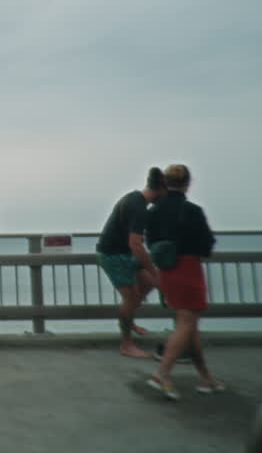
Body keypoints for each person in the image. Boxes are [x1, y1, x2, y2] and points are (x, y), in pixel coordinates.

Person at [145, 164, 222, 400]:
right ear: (188, 183)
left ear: (165, 183)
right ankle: (162, 374)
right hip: (188, 268)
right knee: (187, 322)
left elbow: (150, 241)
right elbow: (206, 244)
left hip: (166, 269)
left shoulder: (154, 210)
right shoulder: (192, 210)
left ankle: (206, 377)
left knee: (188, 325)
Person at [95, 167, 167, 358]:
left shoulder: (134, 198)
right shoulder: (138, 207)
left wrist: (152, 274)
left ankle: (129, 319)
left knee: (149, 284)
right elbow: (135, 244)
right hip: (113, 255)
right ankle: (126, 344)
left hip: (124, 253)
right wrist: (153, 270)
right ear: (161, 189)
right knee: (132, 298)